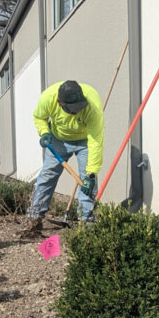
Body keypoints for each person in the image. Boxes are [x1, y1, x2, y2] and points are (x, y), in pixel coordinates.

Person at [19, 79, 104, 238]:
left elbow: (95, 141)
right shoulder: (48, 98)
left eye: (78, 107)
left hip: (85, 141)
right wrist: (44, 132)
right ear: (59, 103)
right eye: (72, 110)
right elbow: (39, 117)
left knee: (87, 182)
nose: (76, 112)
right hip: (58, 140)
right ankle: (34, 218)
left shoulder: (92, 106)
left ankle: (87, 221)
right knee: (47, 175)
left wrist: (91, 173)